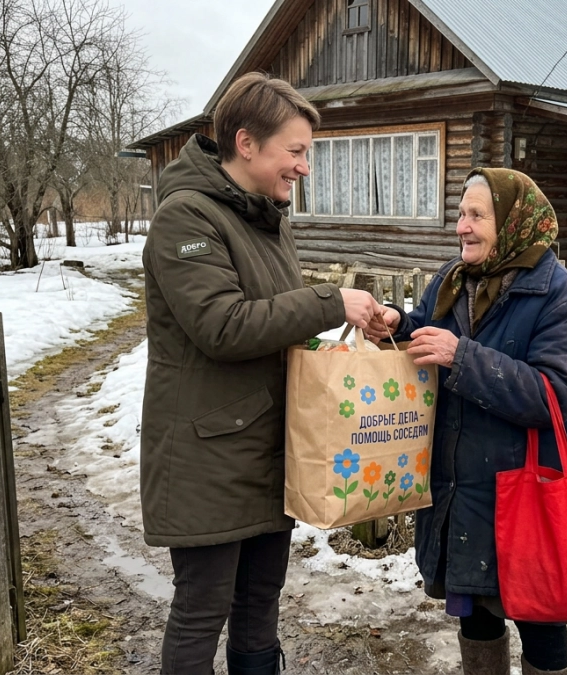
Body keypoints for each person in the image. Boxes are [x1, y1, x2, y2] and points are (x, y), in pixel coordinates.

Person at [140, 72, 382, 675]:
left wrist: (355, 329)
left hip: (266, 449)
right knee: (203, 609)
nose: (304, 167)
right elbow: (222, 326)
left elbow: (275, 322)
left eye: (307, 153)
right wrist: (331, 302)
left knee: (259, 604)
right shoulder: (186, 219)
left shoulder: (264, 217)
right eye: (295, 151)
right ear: (246, 144)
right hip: (208, 456)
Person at [364, 168, 567, 675]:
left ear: (513, 223)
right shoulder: (453, 281)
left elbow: (554, 394)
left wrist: (460, 356)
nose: (462, 227)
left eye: (476, 216)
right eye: (460, 214)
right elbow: (432, 332)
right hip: (462, 489)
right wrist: (403, 324)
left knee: (539, 620)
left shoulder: (559, 296)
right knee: (474, 614)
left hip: (526, 492)